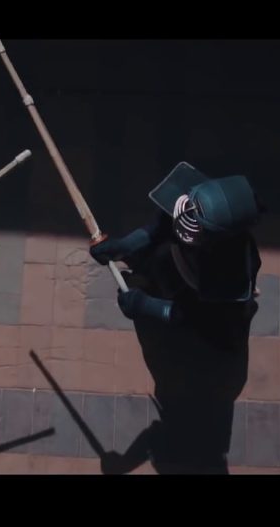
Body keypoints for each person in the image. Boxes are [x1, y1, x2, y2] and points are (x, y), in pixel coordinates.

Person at [89, 162, 263, 474]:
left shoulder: (228, 274)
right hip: (179, 267)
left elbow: (191, 316)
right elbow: (158, 229)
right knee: (156, 264)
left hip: (210, 311)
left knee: (208, 340)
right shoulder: (191, 206)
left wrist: (145, 306)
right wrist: (122, 247)